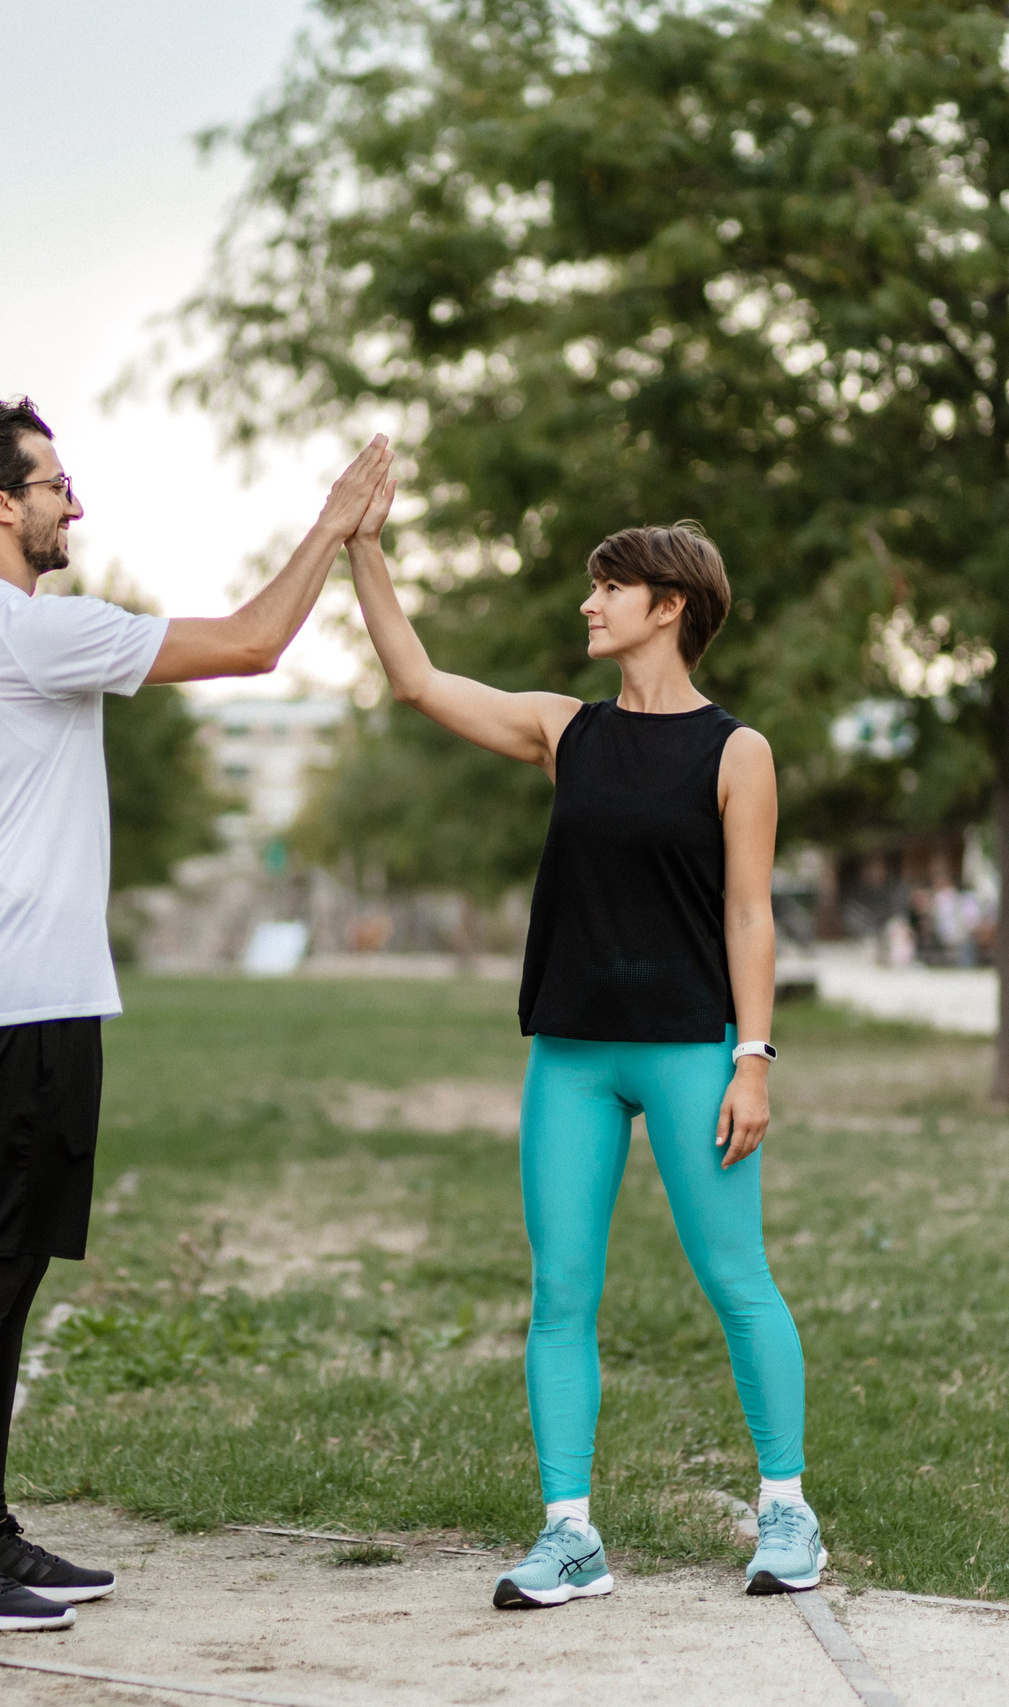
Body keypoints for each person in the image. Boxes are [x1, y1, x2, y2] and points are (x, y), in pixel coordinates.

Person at [0, 398, 390, 1634]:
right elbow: (252, 645)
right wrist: (333, 527)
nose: (71, 503)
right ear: (0, 504)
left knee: (11, 1260)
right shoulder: (29, 631)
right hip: (25, 996)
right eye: (54, 484)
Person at [343, 483, 824, 1607]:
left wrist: (753, 1058)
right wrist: (362, 546)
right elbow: (415, 679)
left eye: (608, 587)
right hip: (571, 1056)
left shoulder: (737, 750)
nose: (588, 603)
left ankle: (788, 1511)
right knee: (561, 1292)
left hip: (691, 1049)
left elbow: (749, 913)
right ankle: (570, 1534)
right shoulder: (567, 730)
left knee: (737, 1280)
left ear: (669, 605)